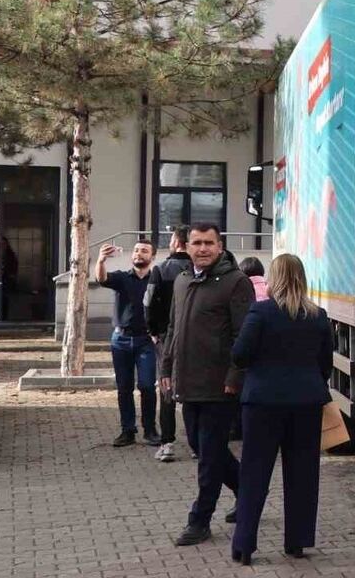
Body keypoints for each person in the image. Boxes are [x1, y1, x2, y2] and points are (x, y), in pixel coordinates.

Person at [229, 253, 333, 565]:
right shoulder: (318, 316)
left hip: (262, 403)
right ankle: (297, 542)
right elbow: (324, 365)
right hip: (306, 403)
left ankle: (244, 545)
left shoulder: (260, 312)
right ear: (302, 278)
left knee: (254, 474)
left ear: (274, 278)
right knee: (303, 474)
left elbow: (240, 355)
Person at [160, 223, 256, 547]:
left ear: (220, 246)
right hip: (187, 384)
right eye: (197, 243)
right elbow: (173, 327)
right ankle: (248, 491)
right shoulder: (182, 280)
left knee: (209, 457)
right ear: (185, 246)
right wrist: (166, 367)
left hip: (219, 388)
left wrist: (234, 377)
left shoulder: (236, 282)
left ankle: (199, 521)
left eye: (209, 243)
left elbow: (243, 336)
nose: (202, 249)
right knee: (202, 449)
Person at [96, 238, 158, 448]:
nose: (139, 254)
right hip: (120, 340)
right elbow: (101, 278)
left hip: (146, 341)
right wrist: (101, 260)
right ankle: (127, 431)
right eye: (137, 250)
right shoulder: (122, 278)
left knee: (148, 386)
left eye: (144, 251)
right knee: (124, 388)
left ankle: (150, 430)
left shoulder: (156, 281)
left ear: (152, 257)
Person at [145, 226, 193, 462]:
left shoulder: (160, 270)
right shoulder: (199, 270)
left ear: (175, 242)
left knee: (166, 388)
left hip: (166, 337)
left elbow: (148, 303)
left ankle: (167, 442)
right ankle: (198, 444)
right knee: (197, 390)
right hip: (197, 338)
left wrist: (153, 331)